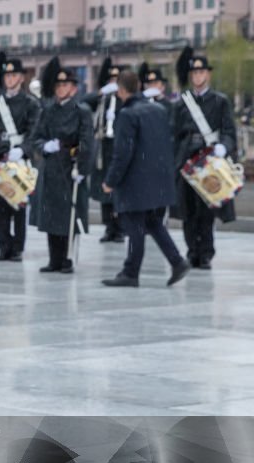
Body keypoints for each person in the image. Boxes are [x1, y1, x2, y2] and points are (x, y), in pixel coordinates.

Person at [100, 70, 190, 288]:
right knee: (152, 222)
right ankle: (177, 261)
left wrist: (110, 180)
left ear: (120, 90)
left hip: (135, 181)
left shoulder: (127, 115)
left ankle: (130, 273)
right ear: (139, 86)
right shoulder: (158, 109)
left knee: (135, 228)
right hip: (157, 178)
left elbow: (123, 153)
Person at [172, 47, 236, 269]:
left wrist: (223, 147)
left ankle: (206, 253)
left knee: (206, 210)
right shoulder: (182, 102)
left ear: (207, 74)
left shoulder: (220, 101)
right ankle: (192, 251)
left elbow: (229, 131)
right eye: (194, 73)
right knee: (188, 210)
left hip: (209, 160)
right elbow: (174, 132)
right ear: (191, 75)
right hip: (187, 160)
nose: (198, 76)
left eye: (202, 72)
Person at [30, 57, 94, 274]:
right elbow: (36, 137)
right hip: (51, 167)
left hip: (70, 167)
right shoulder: (48, 110)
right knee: (51, 216)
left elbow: (87, 142)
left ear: (74, 88)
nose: (61, 89)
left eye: (65, 85)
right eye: (58, 85)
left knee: (68, 216)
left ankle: (66, 259)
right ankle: (53, 259)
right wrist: (44, 146)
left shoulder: (81, 110)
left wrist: (83, 170)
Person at [0, 52, 40, 262]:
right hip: (0, 156)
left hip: (19, 158)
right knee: (1, 206)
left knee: (19, 206)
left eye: (14, 75)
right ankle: (3, 245)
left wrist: (23, 150)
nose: (10, 79)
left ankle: (17, 248)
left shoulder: (31, 104)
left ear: (21, 78)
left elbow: (35, 132)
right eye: (7, 76)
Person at [84, 58, 127, 244]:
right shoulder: (102, 98)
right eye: (111, 79)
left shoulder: (125, 100)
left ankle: (120, 228)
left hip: (119, 146)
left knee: (119, 188)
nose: (114, 83)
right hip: (104, 147)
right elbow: (83, 103)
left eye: (117, 79)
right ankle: (109, 226)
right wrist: (101, 92)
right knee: (104, 189)